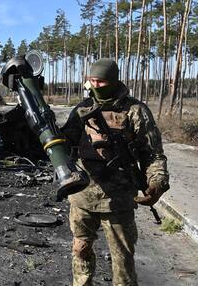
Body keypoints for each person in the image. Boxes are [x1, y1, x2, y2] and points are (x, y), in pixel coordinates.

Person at [61, 58, 170, 286]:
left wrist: (157, 181)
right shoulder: (81, 109)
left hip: (118, 200)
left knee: (123, 262)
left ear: (113, 80)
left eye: (101, 82)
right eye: (92, 81)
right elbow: (63, 145)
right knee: (80, 251)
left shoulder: (135, 111)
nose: (96, 86)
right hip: (82, 197)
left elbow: (152, 153)